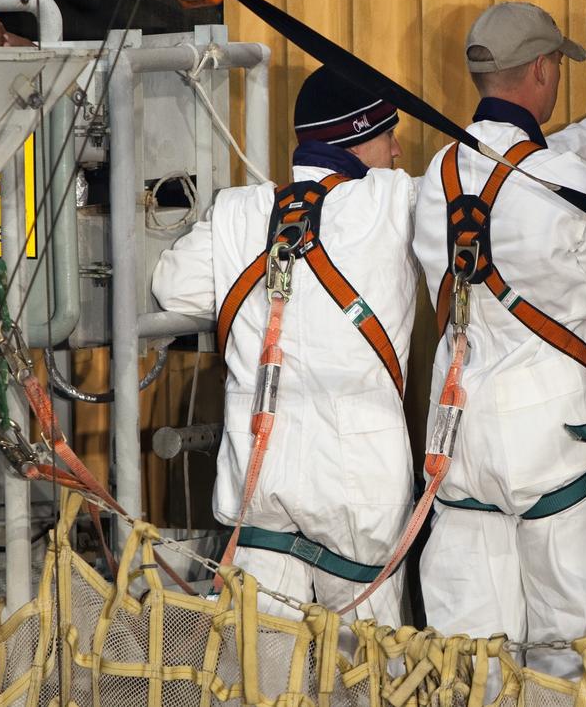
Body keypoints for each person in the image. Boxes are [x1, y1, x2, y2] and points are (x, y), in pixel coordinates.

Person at [411, 1, 586, 675]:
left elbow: (518, 175)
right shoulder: (567, 179)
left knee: (474, 663)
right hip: (557, 449)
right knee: (576, 662)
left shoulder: (438, 174)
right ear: (540, 70)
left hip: (463, 444)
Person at [152, 67, 418, 626]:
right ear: (355, 138)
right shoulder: (394, 202)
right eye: (388, 134)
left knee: (262, 658)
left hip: (260, 475)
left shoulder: (237, 211)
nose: (396, 151)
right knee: (368, 662)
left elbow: (173, 287)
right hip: (359, 485)